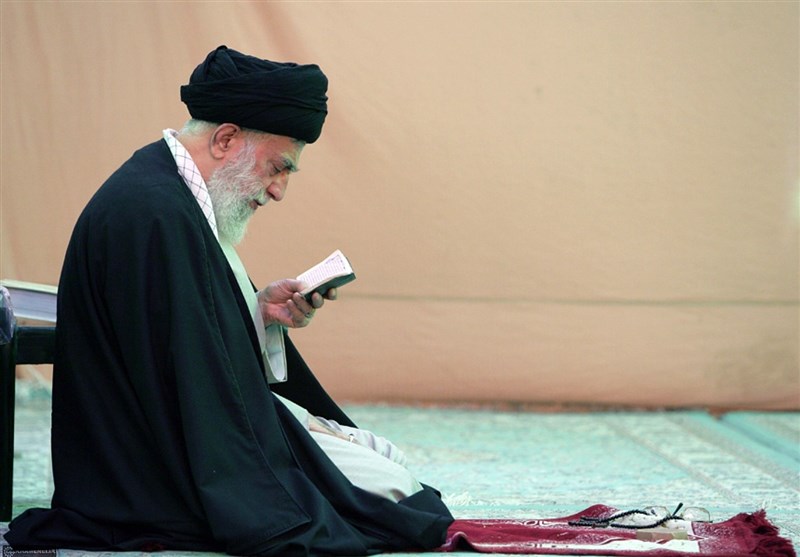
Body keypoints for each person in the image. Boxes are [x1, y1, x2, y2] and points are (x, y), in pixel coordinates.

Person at [4, 45, 453, 556]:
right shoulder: (156, 213)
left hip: (186, 430)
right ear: (225, 139)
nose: (278, 190)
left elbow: (181, 337)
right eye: (278, 167)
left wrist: (259, 313)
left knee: (388, 469)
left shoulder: (172, 196)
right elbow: (178, 372)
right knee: (394, 496)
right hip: (151, 467)